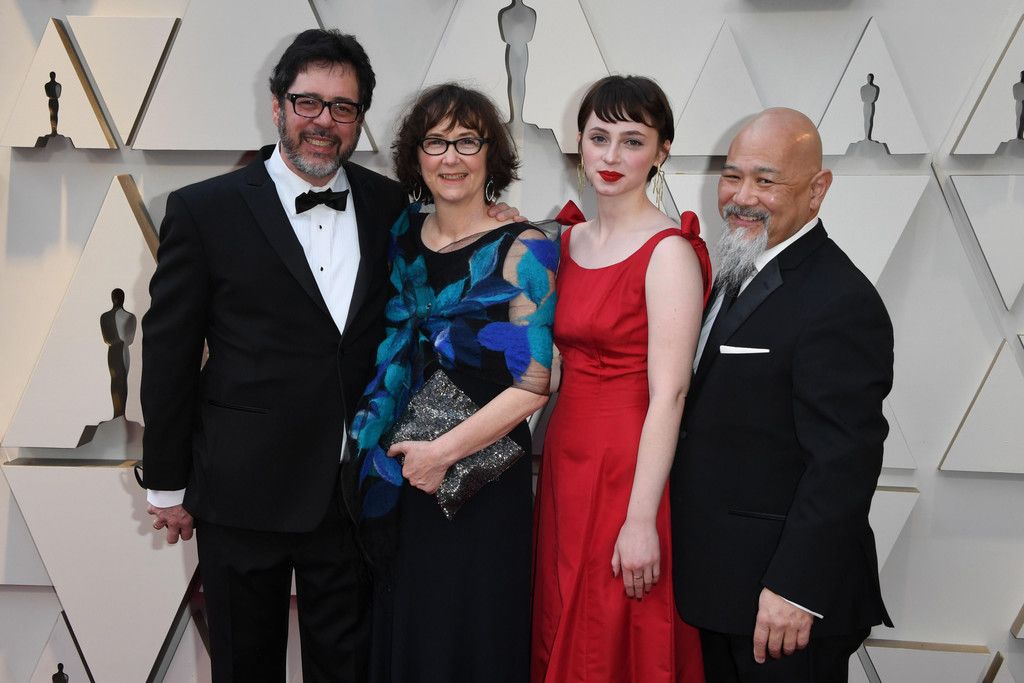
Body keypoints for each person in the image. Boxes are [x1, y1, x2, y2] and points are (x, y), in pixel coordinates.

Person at [140, 30, 519, 682]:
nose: (323, 120)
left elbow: (450, 263)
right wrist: (167, 484)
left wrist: (500, 223)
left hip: (351, 496)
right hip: (240, 493)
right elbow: (169, 353)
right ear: (277, 105)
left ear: (359, 117)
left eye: (343, 107)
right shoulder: (204, 210)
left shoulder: (391, 206)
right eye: (307, 102)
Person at [670, 107, 893, 682]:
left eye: (766, 181)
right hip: (718, 588)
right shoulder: (733, 267)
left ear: (818, 190)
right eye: (732, 175)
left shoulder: (840, 300)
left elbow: (844, 462)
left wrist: (795, 589)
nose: (742, 197)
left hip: (783, 606)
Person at [345, 83, 557, 682]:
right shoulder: (397, 235)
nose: (451, 157)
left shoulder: (526, 247)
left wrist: (442, 454)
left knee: (471, 635)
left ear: (492, 155)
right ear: (416, 156)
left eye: (468, 141)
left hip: (478, 481)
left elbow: (534, 383)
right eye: (436, 142)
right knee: (407, 630)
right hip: (396, 473)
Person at [532, 75, 707, 683]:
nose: (611, 155)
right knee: (564, 618)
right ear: (579, 142)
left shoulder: (668, 252)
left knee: (611, 633)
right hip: (566, 458)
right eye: (598, 137)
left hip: (629, 469)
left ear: (661, 152)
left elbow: (671, 394)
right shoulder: (565, 241)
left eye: (633, 141)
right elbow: (544, 364)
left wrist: (640, 518)